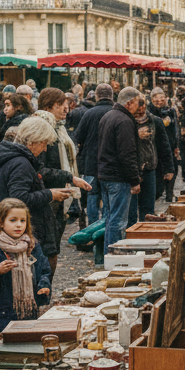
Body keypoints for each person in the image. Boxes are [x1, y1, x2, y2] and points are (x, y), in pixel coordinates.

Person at [0, 116, 71, 271]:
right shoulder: (21, 164)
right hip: (24, 230)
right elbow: (19, 199)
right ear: (33, 141)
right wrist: (50, 194)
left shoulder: (16, 160)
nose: (45, 149)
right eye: (44, 143)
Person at [0, 198, 51, 339]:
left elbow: (44, 270)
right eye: (13, 220)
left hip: (28, 314)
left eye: (23, 220)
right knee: (4, 350)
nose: (19, 225)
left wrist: (43, 286)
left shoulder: (31, 245)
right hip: (0, 317)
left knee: (28, 348)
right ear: (1, 222)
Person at [35, 88, 92, 265]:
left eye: (66, 104)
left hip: (59, 194)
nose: (66, 108)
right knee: (48, 249)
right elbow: (39, 169)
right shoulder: (40, 130)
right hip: (47, 196)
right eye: (60, 105)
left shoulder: (59, 128)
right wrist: (69, 177)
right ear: (48, 107)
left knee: (53, 246)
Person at [96, 87, 142, 253]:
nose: (139, 106)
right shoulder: (124, 121)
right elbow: (127, 154)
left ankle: (109, 253)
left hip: (106, 174)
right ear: (130, 103)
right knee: (118, 221)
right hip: (117, 177)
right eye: (137, 103)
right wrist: (134, 180)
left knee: (110, 218)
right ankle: (115, 255)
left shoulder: (108, 116)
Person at [73, 83, 115, 225]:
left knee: (92, 195)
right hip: (110, 164)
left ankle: (92, 227)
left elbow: (78, 137)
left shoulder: (89, 114)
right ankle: (105, 228)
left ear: (96, 96)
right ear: (111, 96)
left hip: (91, 163)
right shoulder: (116, 113)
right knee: (108, 197)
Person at [127, 98, 174, 225]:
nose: (140, 111)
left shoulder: (155, 121)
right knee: (130, 210)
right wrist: (136, 135)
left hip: (149, 168)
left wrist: (169, 168)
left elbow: (164, 145)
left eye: (142, 107)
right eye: (138, 108)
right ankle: (131, 232)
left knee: (148, 208)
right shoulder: (127, 121)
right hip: (132, 169)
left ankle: (147, 231)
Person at [148, 88, 179, 201]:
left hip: (169, 144)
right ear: (151, 99)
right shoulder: (148, 112)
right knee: (158, 170)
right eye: (156, 99)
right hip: (155, 145)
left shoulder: (170, 111)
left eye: (162, 98)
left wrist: (176, 145)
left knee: (172, 168)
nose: (159, 101)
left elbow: (175, 129)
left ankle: (169, 194)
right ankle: (157, 192)